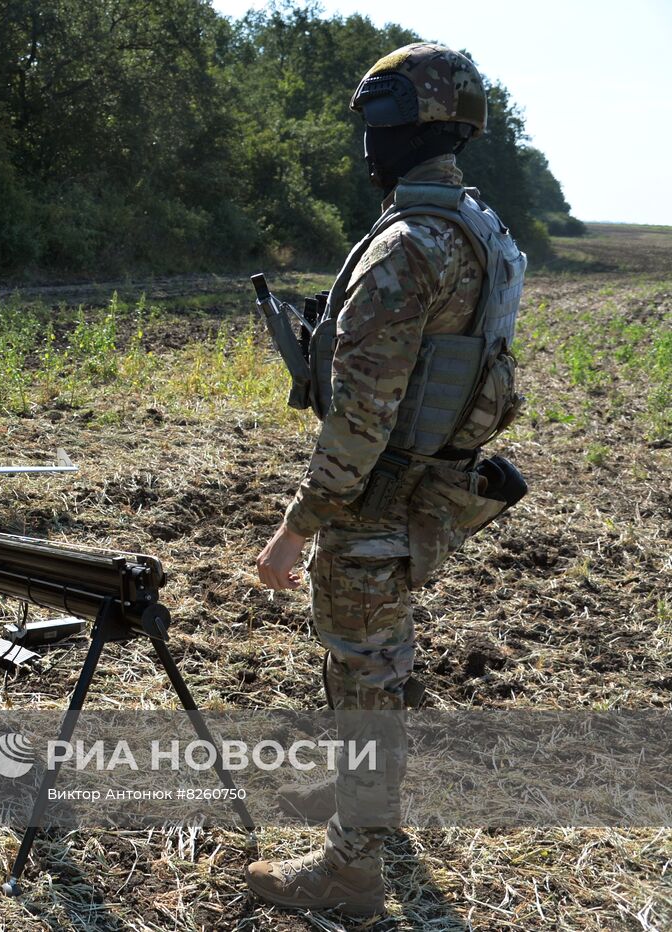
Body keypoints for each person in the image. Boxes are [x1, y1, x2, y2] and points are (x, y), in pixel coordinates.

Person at [248, 43, 526, 916]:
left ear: (400, 127)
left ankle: (351, 870)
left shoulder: (408, 247)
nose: (365, 147)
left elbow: (360, 421)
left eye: (373, 126)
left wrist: (294, 530)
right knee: (376, 666)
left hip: (374, 498)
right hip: (425, 490)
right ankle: (363, 808)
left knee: (366, 677)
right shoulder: (484, 230)